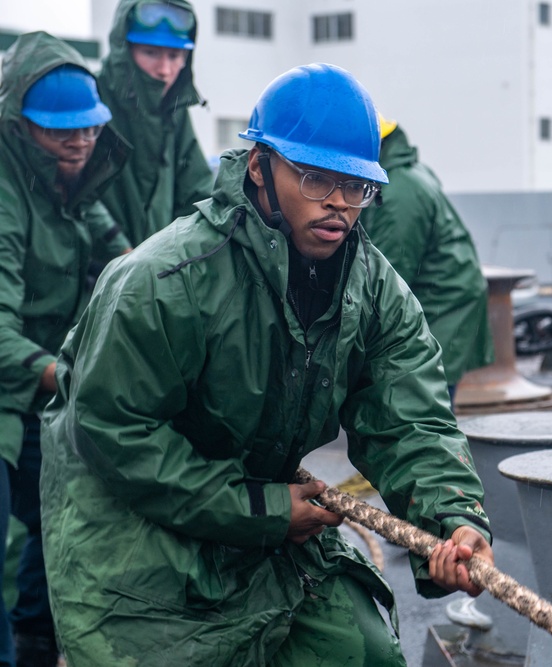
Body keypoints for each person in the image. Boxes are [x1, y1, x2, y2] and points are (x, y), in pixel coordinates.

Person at [40, 63, 494, 666]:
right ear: (259, 167)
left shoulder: (375, 291)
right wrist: (264, 509)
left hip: (263, 516)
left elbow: (411, 420)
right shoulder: (164, 281)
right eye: (314, 178)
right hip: (134, 537)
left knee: (365, 656)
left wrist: (454, 518)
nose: (338, 203)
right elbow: (113, 433)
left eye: (356, 186)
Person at [0, 32, 131, 667]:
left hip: (38, 378)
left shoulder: (71, 182)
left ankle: (35, 640)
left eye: (88, 130)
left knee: (58, 515)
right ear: (21, 128)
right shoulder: (6, 192)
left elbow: (123, 259)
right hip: (17, 375)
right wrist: (73, 375)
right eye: (61, 132)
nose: (80, 143)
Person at [359, 116, 493, 403]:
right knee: (430, 396)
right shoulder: (406, 172)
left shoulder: (398, 192)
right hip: (445, 299)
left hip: (440, 309)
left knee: (421, 400)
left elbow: (389, 274)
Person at [97, 0, 213, 245]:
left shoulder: (175, 109)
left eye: (175, 55)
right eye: (150, 52)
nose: (165, 69)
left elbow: (198, 195)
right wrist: (116, 250)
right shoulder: (92, 100)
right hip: (93, 273)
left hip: (155, 273)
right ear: (123, 49)